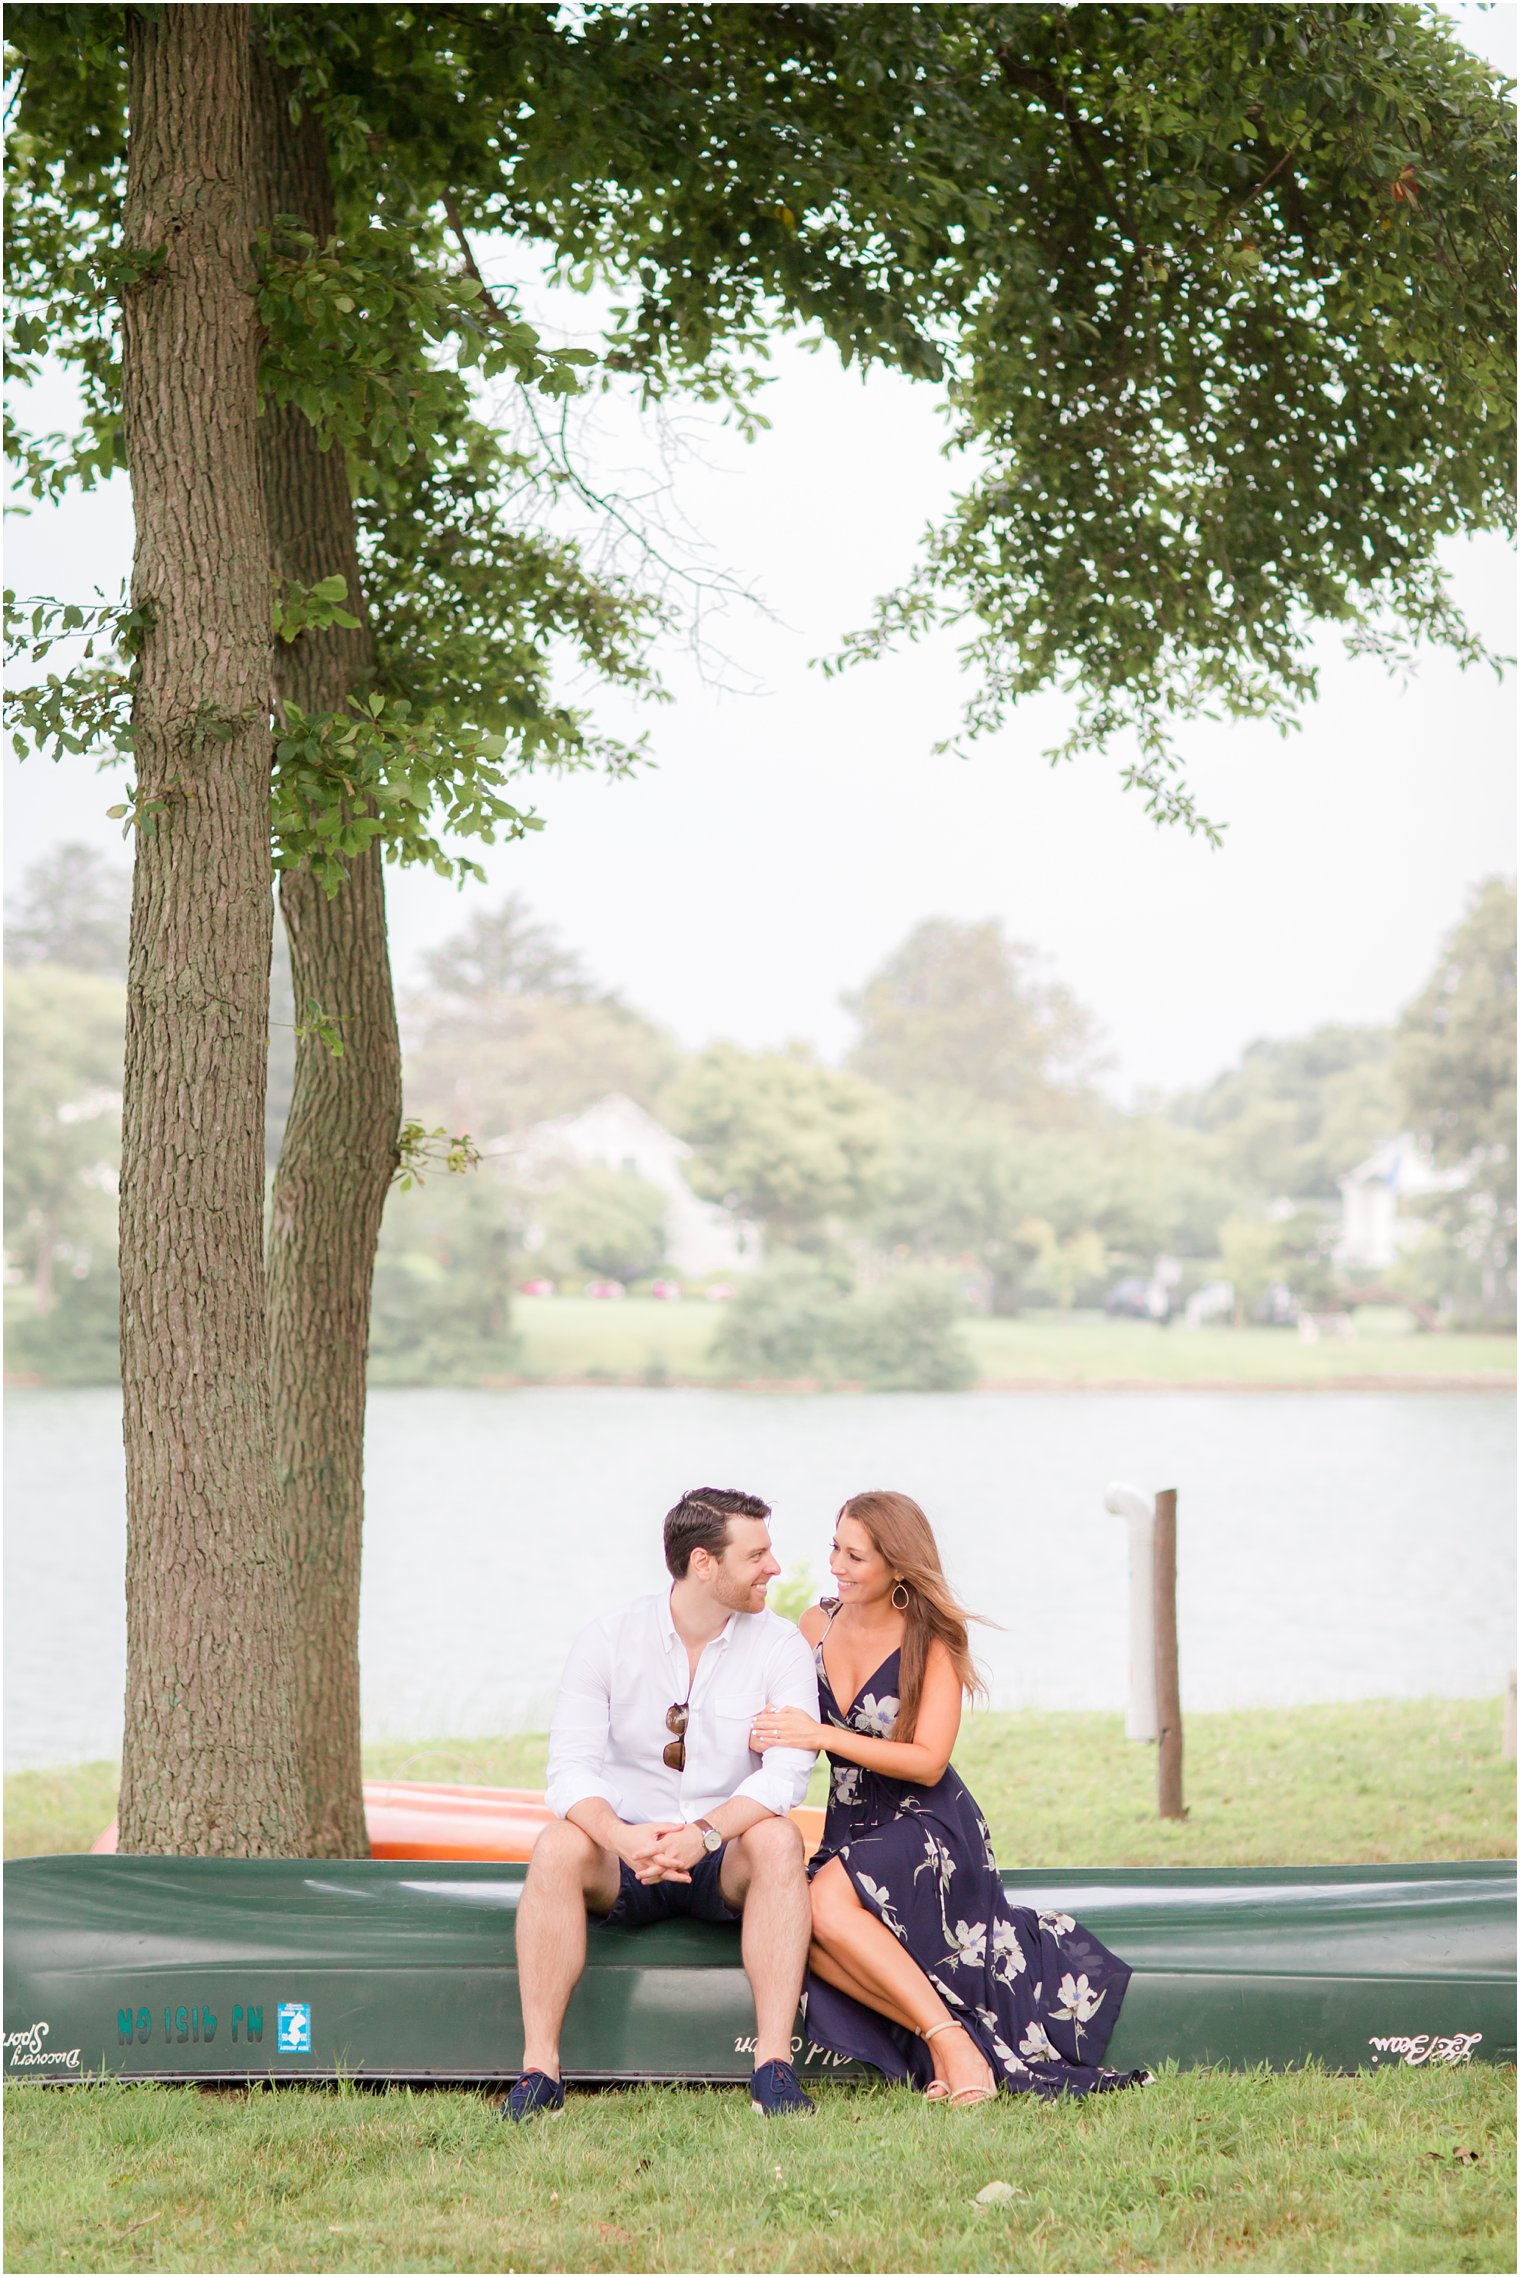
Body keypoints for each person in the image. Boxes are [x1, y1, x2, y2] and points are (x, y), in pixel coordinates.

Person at [748, 1490, 1149, 2104]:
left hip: (930, 1825)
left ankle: (955, 2046)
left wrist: (824, 1733)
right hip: (852, 1825)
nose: (836, 1565)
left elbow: (928, 1759)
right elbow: (787, 1722)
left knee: (824, 1904)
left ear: (898, 1568)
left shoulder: (932, 1638)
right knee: (797, 1922)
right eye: (835, 1547)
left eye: (854, 1556)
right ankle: (952, 2040)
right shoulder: (815, 1625)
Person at [505, 1485, 821, 2122]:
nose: (775, 1568)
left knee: (780, 1838)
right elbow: (569, 1771)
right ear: (704, 1563)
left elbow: (787, 1775)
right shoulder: (608, 1639)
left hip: (722, 1852)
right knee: (558, 1843)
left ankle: (773, 2069)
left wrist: (703, 1833)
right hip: (628, 1850)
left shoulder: (781, 1645)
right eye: (757, 1554)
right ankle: (541, 2072)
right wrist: (621, 1839)